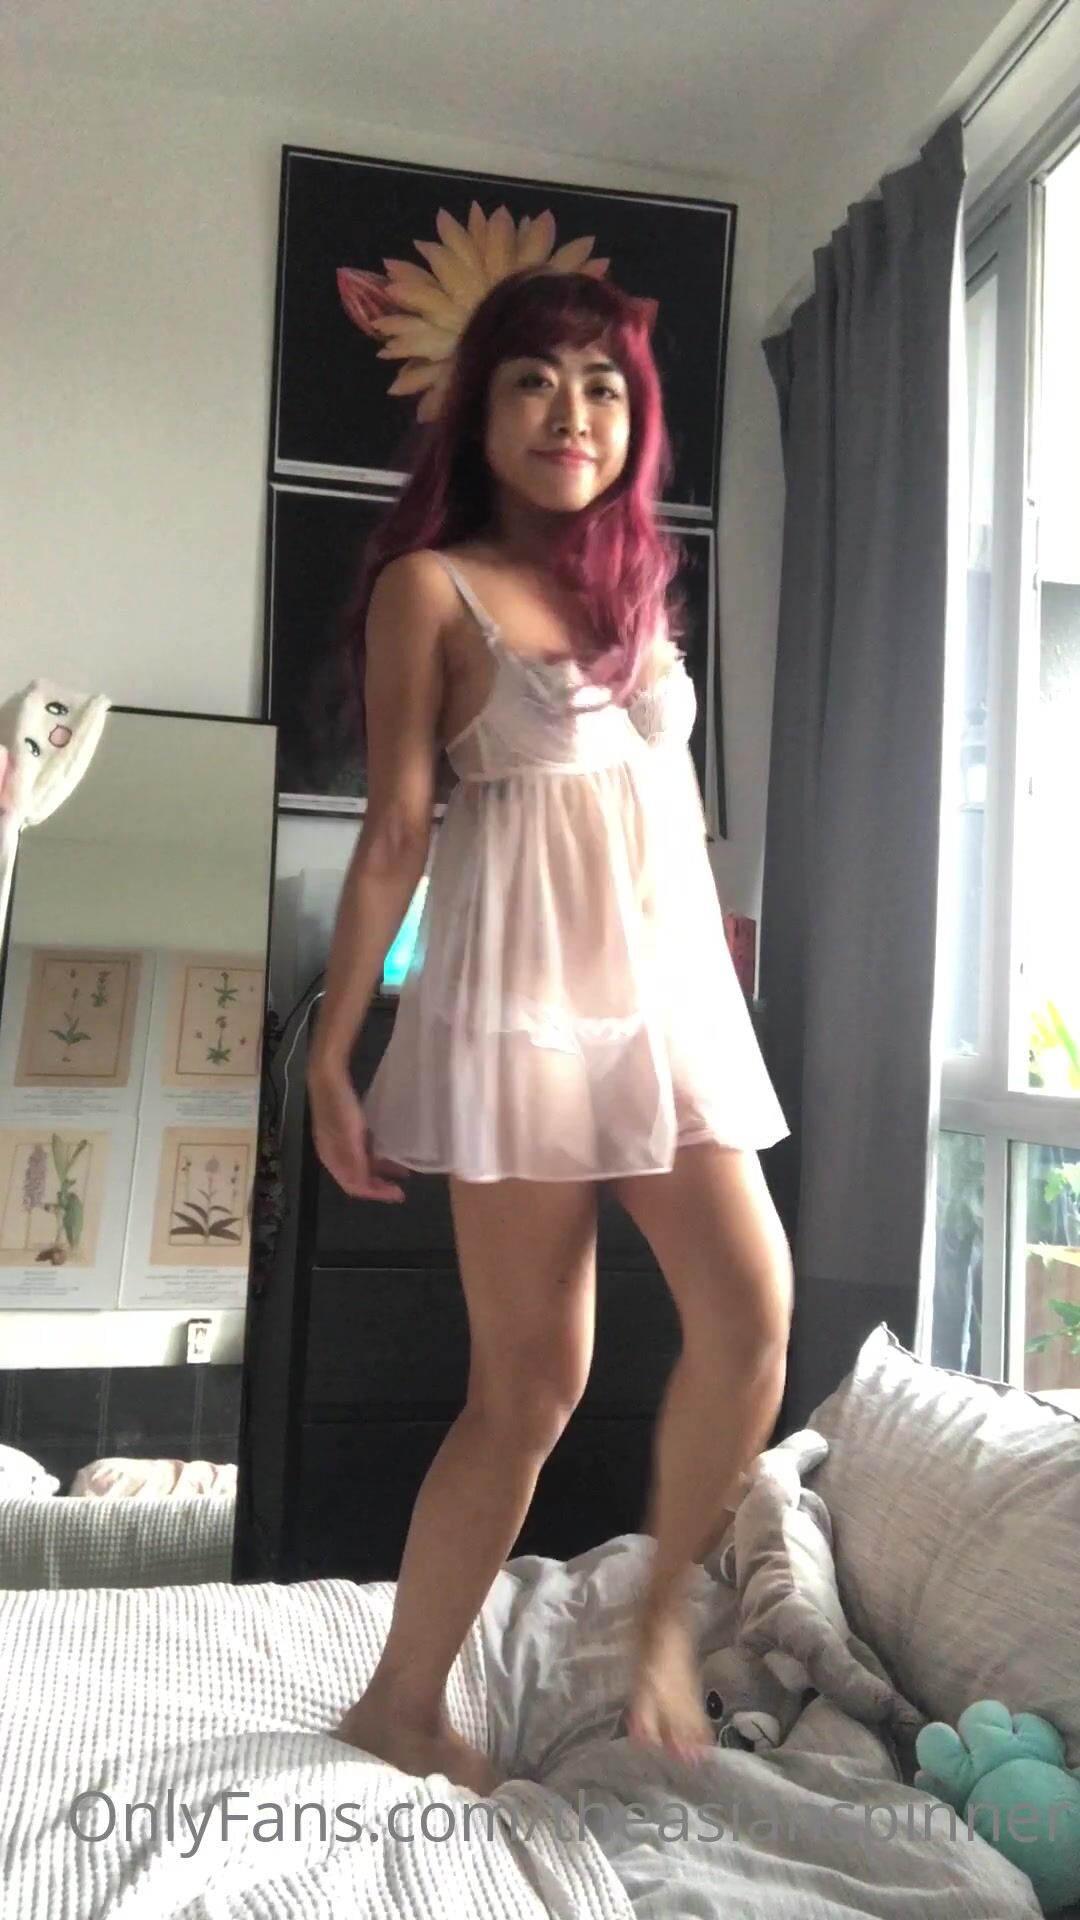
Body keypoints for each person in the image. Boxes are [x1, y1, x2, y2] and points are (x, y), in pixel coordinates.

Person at [307, 267, 793, 1795]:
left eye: (604, 385)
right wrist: (332, 1051)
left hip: (661, 1007)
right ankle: (400, 1702)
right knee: (528, 1388)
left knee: (752, 1315)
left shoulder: (636, 594)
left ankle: (658, 1627)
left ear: (633, 420)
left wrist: (713, 961)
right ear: (480, 410)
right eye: (534, 379)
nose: (571, 410)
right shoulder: (431, 589)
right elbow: (396, 831)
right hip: (518, 1019)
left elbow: (663, 812)